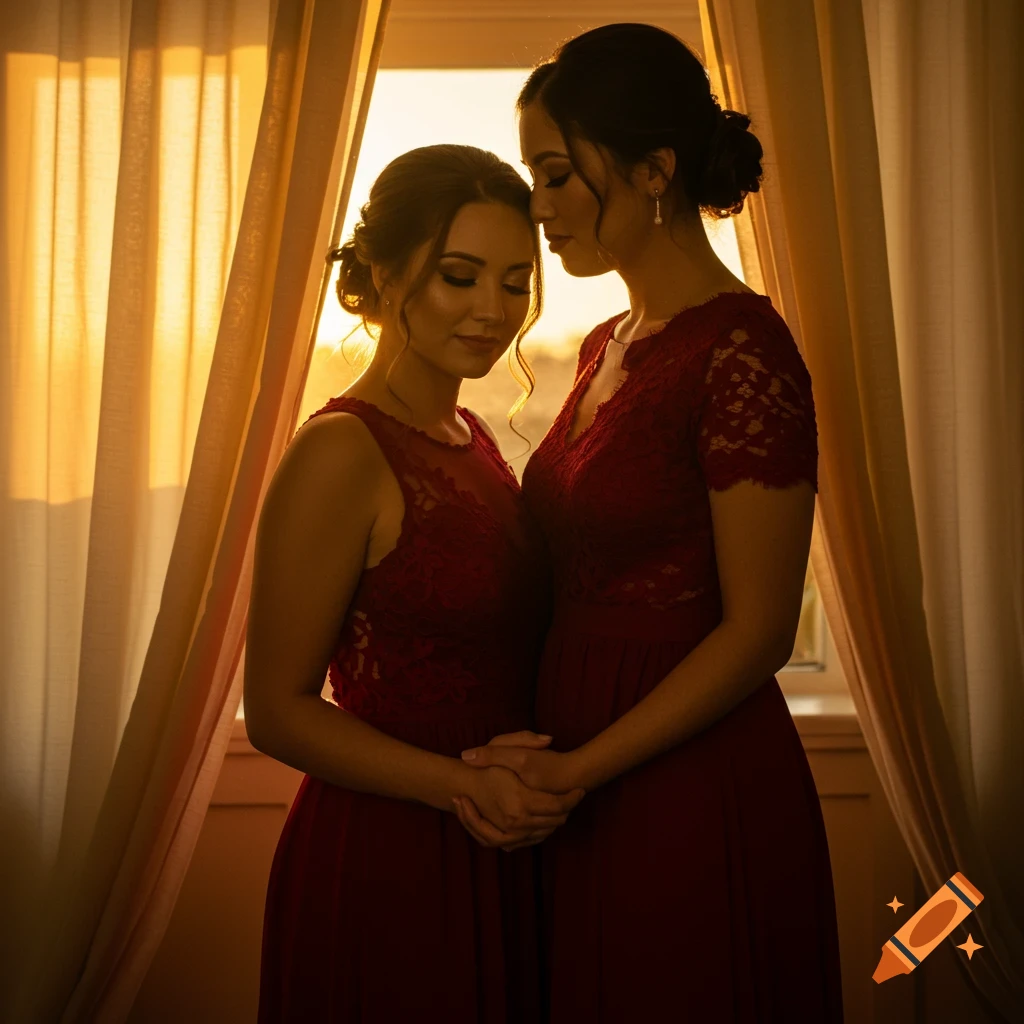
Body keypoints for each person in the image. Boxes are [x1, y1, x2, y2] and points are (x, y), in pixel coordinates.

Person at [453, 24, 845, 1021]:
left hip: (683, 775)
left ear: (654, 171)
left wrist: (577, 771)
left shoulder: (741, 350)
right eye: (532, 178)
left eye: (555, 175)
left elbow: (759, 630)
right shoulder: (603, 343)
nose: (538, 208)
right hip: (575, 767)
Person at [246, 143, 584, 1023]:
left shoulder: (472, 437)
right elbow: (276, 710)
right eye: (458, 276)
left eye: (515, 282)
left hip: (503, 841)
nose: (492, 310)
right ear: (386, 275)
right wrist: (462, 786)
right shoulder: (339, 451)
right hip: (391, 853)